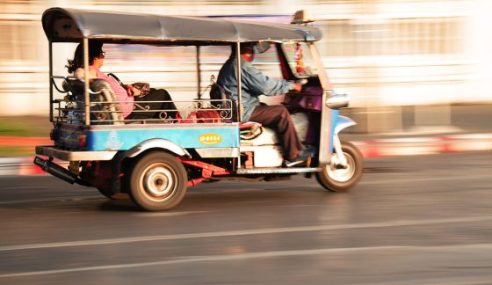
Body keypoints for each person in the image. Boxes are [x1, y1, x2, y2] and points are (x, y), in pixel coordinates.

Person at [217, 43, 313, 166]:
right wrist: (292, 86)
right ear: (248, 50)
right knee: (281, 112)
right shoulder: (241, 66)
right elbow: (267, 87)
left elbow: (257, 86)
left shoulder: (231, 64)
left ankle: (284, 146)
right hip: (243, 112)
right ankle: (294, 154)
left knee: (268, 108)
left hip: (237, 109)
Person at [66, 41, 177, 120]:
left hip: (129, 102)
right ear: (95, 57)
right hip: (129, 109)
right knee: (163, 94)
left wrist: (126, 88)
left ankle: (168, 123)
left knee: (153, 92)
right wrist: (86, 79)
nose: (103, 57)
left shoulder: (94, 71)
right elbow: (80, 74)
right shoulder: (89, 70)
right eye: (102, 54)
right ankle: (178, 122)